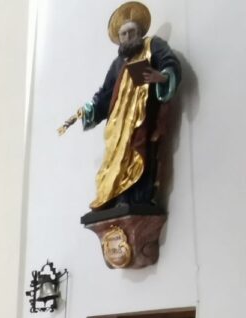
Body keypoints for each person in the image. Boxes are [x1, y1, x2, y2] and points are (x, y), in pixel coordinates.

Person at [58, 3, 181, 211]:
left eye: (131, 32)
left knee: (140, 152)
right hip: (118, 126)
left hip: (143, 118)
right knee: (116, 160)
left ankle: (137, 198)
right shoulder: (118, 63)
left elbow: (171, 64)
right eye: (123, 34)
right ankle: (119, 198)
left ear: (140, 32)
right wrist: (89, 109)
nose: (127, 37)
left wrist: (161, 77)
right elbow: (105, 94)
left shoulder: (153, 46)